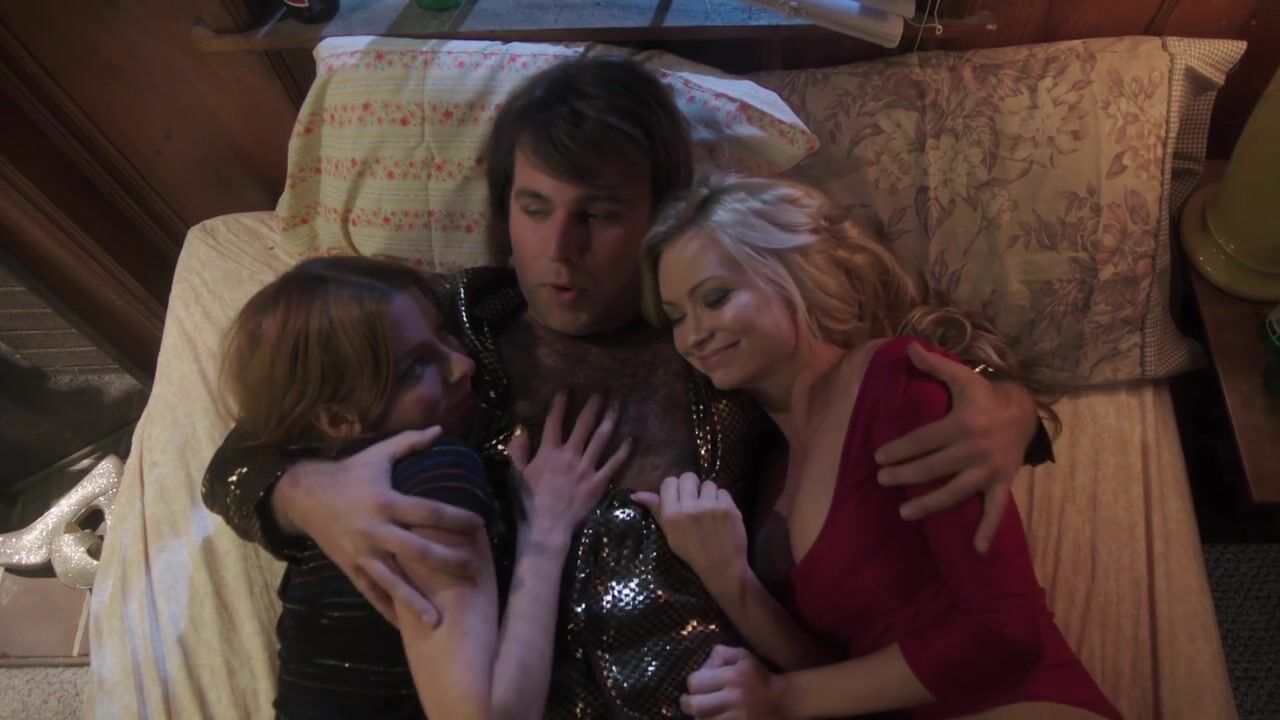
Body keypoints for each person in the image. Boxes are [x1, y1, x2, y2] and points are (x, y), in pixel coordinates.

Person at [202, 56, 1055, 718]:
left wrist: (1008, 409)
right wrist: (304, 494)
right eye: (535, 208)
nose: (560, 251)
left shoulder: (717, 345)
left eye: (600, 215)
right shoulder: (444, 321)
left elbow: (880, 347)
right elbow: (254, 442)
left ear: (657, 218)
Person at [634, 175, 1119, 720]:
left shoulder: (893, 378)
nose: (694, 335)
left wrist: (784, 697)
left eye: (716, 298)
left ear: (792, 274)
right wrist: (731, 580)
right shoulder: (770, 476)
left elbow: (1007, 633)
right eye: (677, 317)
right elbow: (841, 679)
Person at [216, 255, 628, 719]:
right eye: (415, 367)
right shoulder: (429, 470)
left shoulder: (341, 477)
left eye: (444, 332)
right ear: (338, 419)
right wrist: (546, 530)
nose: (462, 364)